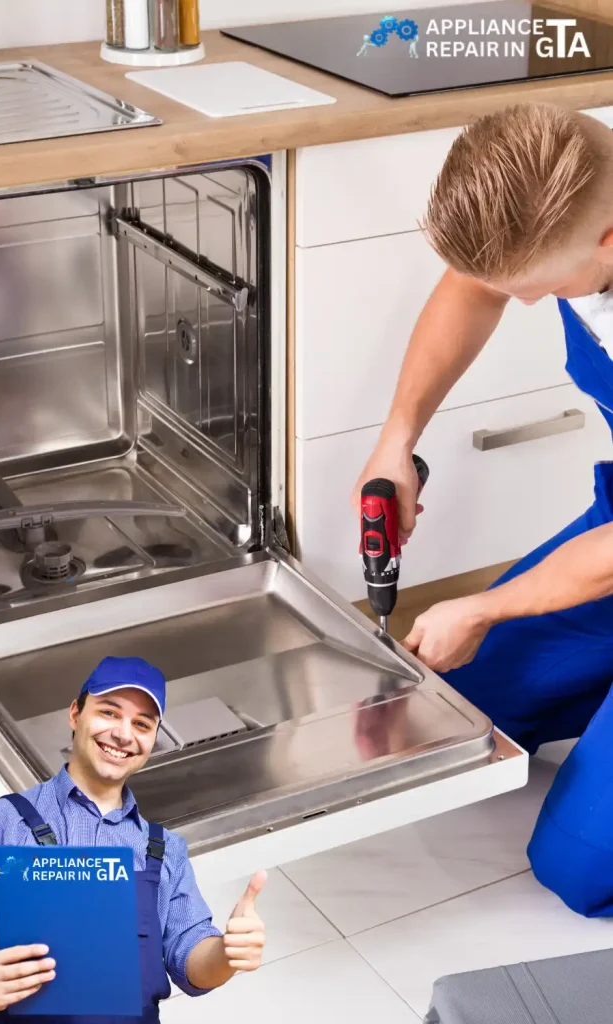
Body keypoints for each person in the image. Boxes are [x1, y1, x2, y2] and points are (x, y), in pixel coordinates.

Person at [351, 102, 613, 919]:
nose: (525, 304)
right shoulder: (575, 197)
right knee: (462, 709)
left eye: (538, 288)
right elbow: (474, 284)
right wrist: (397, 440)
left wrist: (488, 602)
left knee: (578, 868)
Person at [0, 656, 266, 1022]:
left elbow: (191, 958)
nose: (124, 734)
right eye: (109, 712)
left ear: (153, 740)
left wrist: (226, 954)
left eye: (142, 723)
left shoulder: (165, 851)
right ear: (75, 715)